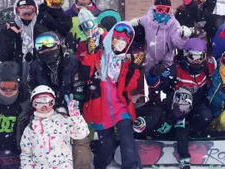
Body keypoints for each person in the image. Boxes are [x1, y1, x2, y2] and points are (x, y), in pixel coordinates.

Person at [142, 38, 215, 169]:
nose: (196, 60)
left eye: (200, 57)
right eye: (192, 56)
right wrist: (153, 74)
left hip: (196, 107)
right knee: (169, 114)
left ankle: (192, 132)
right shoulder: (175, 70)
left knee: (206, 116)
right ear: (186, 55)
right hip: (175, 107)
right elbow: (156, 85)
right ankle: (166, 131)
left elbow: (221, 73)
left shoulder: (206, 69)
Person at [83, 21, 144, 169]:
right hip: (100, 107)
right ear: (111, 38)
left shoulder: (125, 61)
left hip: (120, 105)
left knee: (127, 136)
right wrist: (90, 54)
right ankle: (100, 164)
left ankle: (132, 166)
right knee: (106, 146)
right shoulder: (98, 54)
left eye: (124, 41)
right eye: (117, 39)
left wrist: (134, 69)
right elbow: (86, 73)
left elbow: (129, 86)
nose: (120, 44)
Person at [28, 32, 92, 169]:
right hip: (47, 111)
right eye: (41, 47)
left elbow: (80, 86)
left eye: (50, 45)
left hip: (71, 109)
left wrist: (73, 107)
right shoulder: (36, 66)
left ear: (58, 44)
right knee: (49, 145)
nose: (46, 49)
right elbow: (32, 89)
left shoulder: (71, 62)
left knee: (79, 142)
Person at [130, 0, 192, 102]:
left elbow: (177, 42)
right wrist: (132, 24)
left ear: (170, 10)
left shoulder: (173, 24)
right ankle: (152, 107)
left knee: (166, 86)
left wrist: (183, 36)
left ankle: (167, 107)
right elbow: (135, 29)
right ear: (155, 9)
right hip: (149, 60)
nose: (162, 12)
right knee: (152, 87)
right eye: (159, 9)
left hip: (165, 62)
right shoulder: (146, 20)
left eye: (166, 9)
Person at [20, 85, 89, 169]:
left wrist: (75, 116)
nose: (44, 106)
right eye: (38, 103)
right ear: (33, 105)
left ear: (53, 102)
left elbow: (81, 134)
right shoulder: (30, 129)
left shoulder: (63, 120)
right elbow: (26, 154)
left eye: (48, 102)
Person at [0, 0, 47, 82]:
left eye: (30, 11)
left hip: (38, 74)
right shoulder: (8, 30)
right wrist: (10, 37)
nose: (27, 14)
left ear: (35, 12)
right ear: (17, 12)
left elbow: (46, 55)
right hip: (14, 75)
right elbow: (4, 57)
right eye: (23, 11)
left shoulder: (41, 30)